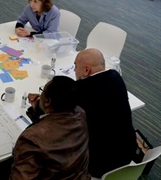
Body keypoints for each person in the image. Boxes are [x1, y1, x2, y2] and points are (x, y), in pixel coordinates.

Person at [10, 76, 90, 180]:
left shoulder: (31, 139)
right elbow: (56, 126)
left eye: (42, 91)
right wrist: (41, 109)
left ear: (48, 101)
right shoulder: (80, 115)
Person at [74, 48, 137, 178]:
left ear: (86, 70)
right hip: (128, 151)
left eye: (75, 66)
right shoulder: (116, 77)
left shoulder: (83, 91)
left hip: (99, 164)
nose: (74, 70)